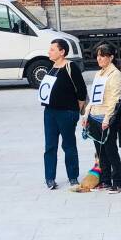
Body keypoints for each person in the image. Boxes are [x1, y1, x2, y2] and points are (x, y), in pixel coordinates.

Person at [42, 38, 87, 189]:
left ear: (62, 52)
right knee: (50, 146)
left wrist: (76, 111)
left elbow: (81, 90)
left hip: (66, 112)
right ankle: (50, 178)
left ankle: (73, 176)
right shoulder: (52, 67)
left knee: (68, 145)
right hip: (50, 112)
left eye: (53, 49)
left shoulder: (70, 67)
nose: (49, 52)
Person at [83, 43, 121, 193]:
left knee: (111, 150)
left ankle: (117, 181)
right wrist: (86, 114)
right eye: (98, 56)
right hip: (94, 116)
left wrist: (107, 119)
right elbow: (93, 97)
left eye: (103, 56)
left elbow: (114, 99)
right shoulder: (98, 73)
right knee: (100, 152)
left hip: (106, 118)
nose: (99, 59)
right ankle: (105, 180)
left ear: (111, 57)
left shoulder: (115, 74)